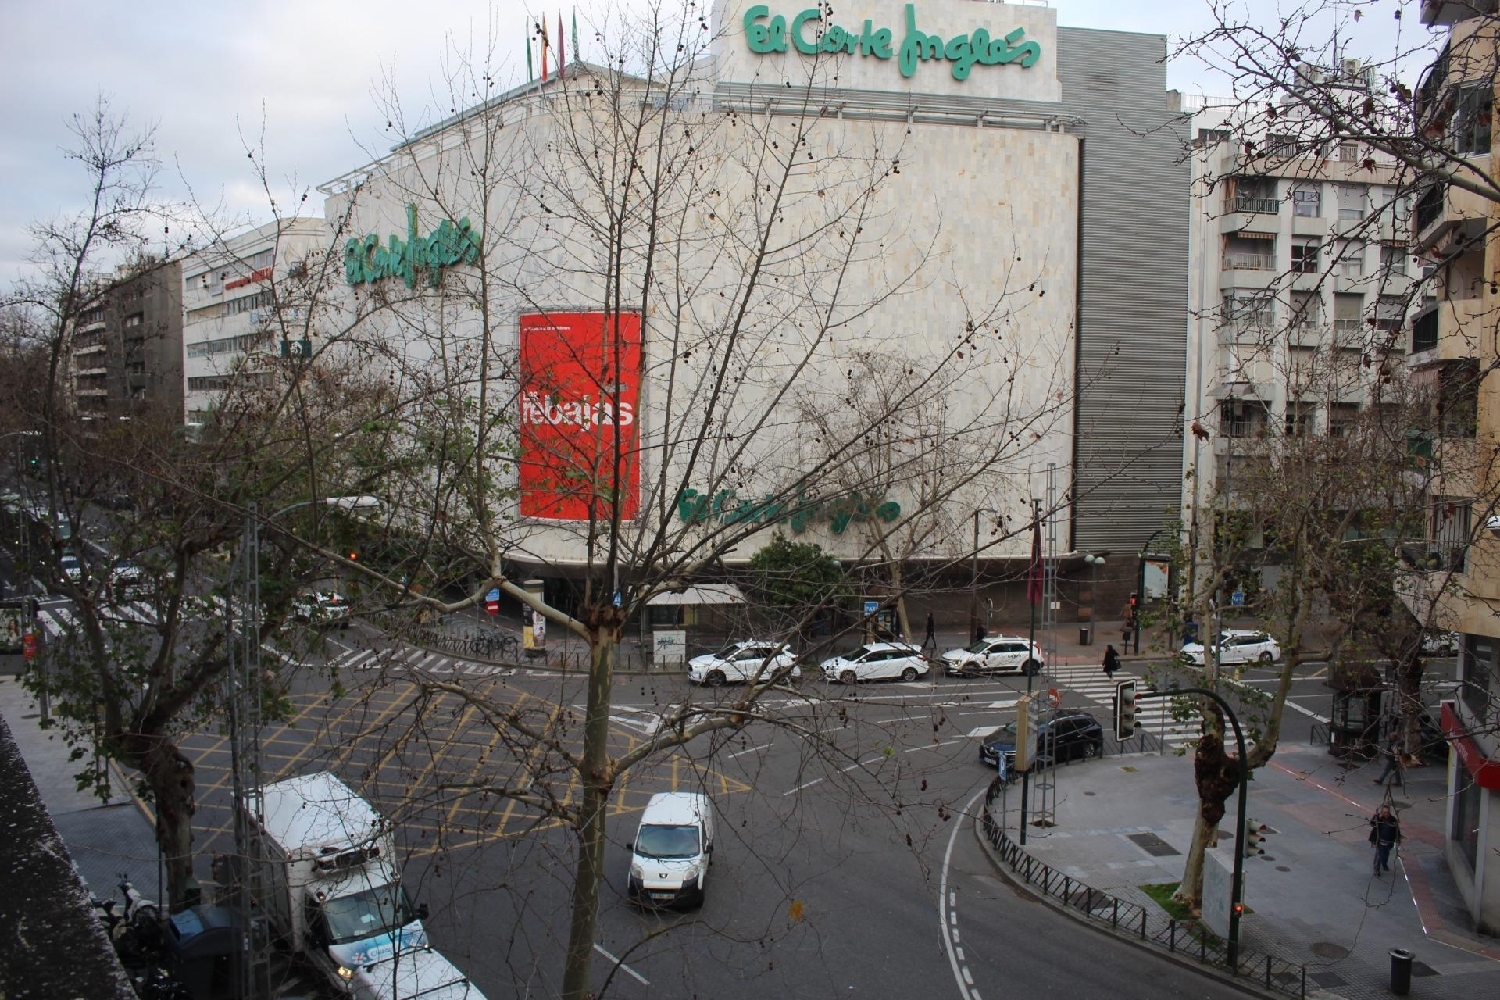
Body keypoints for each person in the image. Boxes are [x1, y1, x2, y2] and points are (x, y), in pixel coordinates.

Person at [1369, 805, 1403, 875]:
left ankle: (1384, 864)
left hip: (1389, 841)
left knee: (1385, 854)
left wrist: (1398, 838)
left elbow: (1397, 829)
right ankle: (1376, 870)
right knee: (1378, 856)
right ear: (1381, 812)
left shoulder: (1392, 819)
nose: (1386, 814)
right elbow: (1372, 823)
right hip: (1380, 841)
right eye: (1384, 812)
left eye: (1387, 812)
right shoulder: (1377, 818)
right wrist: (1378, 818)